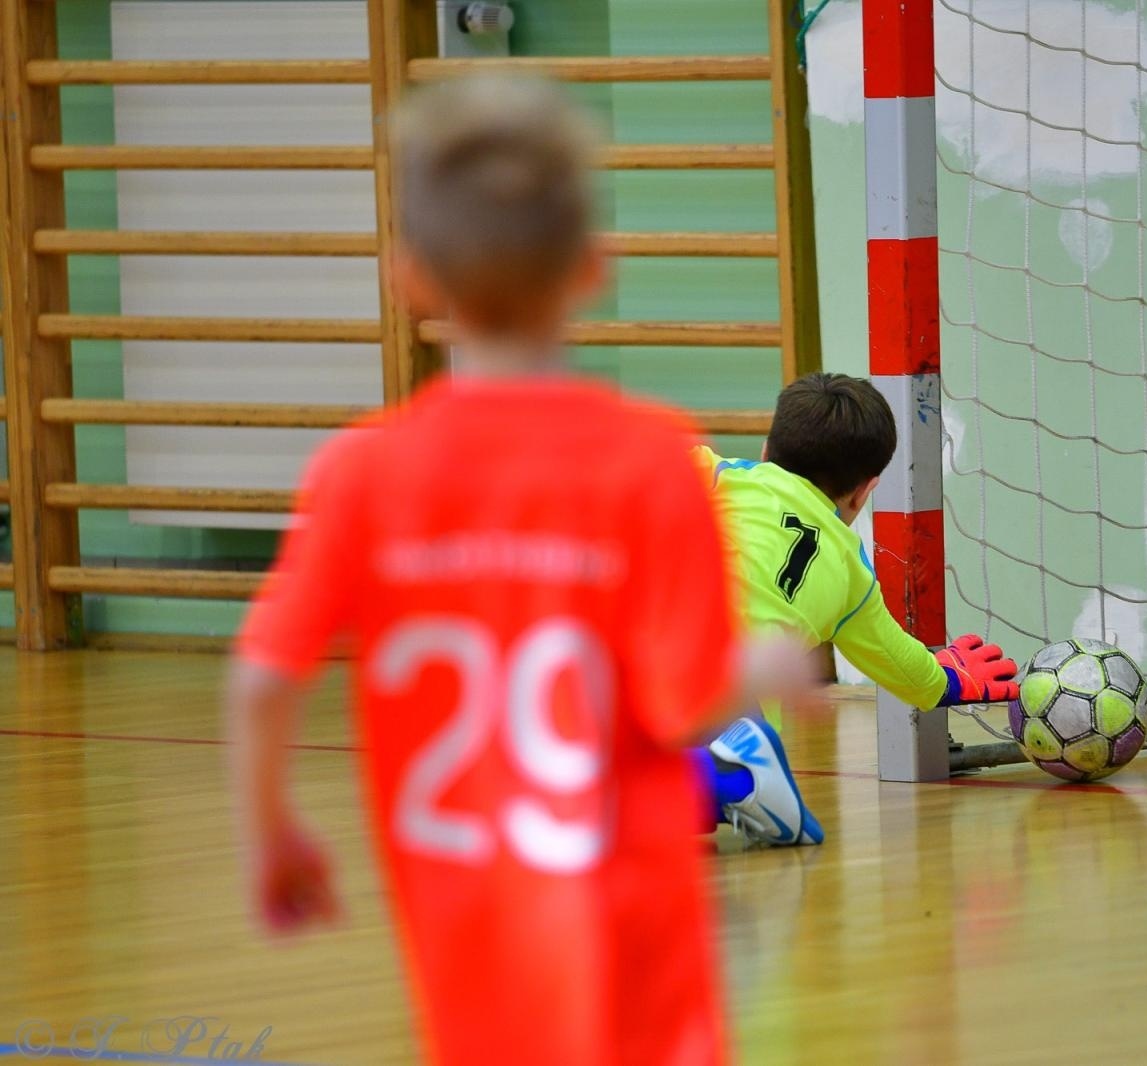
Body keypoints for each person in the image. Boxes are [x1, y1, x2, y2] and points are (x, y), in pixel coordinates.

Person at [225, 73, 812, 1066]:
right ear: (592, 266)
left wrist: (270, 828)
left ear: (409, 276)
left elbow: (261, 676)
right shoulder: (652, 459)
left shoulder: (364, 471)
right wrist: (766, 668)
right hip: (632, 925)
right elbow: (688, 700)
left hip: (465, 919)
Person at [693, 372, 1021, 846]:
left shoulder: (715, 474)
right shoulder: (853, 577)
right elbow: (910, 672)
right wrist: (950, 677)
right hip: (735, 718)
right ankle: (733, 777)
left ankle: (732, 779)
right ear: (866, 491)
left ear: (766, 449)